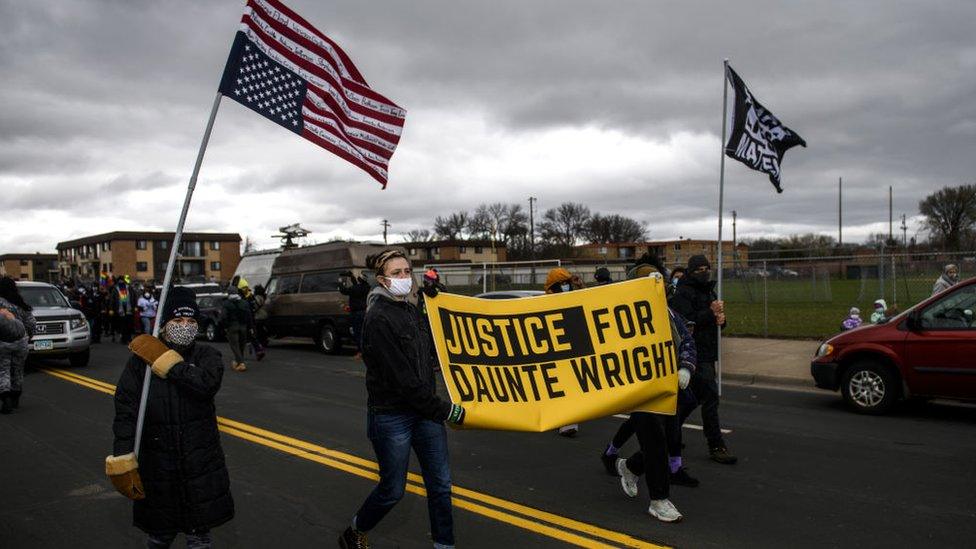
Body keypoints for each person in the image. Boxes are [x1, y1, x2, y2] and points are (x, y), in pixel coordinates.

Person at [340, 249, 465, 549]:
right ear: (382, 280)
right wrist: (445, 410)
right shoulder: (378, 319)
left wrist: (437, 296)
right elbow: (404, 381)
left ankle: (444, 545)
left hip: (426, 413)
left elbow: (437, 340)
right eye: (396, 274)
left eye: (407, 271)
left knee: (440, 486)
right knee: (393, 490)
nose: (404, 278)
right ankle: (355, 531)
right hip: (392, 415)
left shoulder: (411, 309)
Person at [105, 286, 234, 548]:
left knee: (199, 535)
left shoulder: (207, 355)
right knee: (160, 534)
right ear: (163, 324)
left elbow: (206, 385)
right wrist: (123, 456)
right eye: (177, 320)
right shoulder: (141, 361)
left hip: (199, 463)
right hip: (158, 464)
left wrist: (167, 362)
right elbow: (126, 409)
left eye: (190, 321)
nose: (184, 326)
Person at [600, 254, 700, 492]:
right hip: (641, 388)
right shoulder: (622, 317)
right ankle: (658, 499)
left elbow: (687, 342)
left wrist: (685, 366)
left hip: (667, 388)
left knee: (666, 440)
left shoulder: (669, 315)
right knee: (656, 442)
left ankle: (631, 468)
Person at [671, 255, 737, 465]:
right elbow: (686, 324)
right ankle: (716, 444)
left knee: (694, 398)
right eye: (699, 269)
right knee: (710, 397)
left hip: (708, 351)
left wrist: (721, 320)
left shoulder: (709, 290)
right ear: (691, 271)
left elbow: (714, 321)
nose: (704, 272)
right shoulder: (683, 293)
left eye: (706, 268)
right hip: (692, 353)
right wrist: (710, 313)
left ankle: (670, 430)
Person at [544, 267, 584, 437]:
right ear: (553, 287)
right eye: (562, 284)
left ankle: (567, 422)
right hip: (554, 352)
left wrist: (580, 286)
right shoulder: (546, 303)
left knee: (569, 387)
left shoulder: (572, 298)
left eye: (567, 283)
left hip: (569, 350)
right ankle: (563, 421)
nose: (566, 286)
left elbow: (593, 300)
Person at [0, 277, 35, 413]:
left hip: (2, 342)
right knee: (18, 370)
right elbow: (32, 323)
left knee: (3, 370)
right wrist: (28, 337)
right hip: (20, 342)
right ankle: (15, 398)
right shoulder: (21, 303)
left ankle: (6, 398)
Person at [339, 271, 371, 358]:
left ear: (360, 280)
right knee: (364, 332)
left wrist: (340, 281)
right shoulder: (367, 287)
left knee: (357, 332)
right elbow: (356, 286)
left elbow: (344, 291)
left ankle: (361, 351)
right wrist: (352, 277)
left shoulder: (355, 288)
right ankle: (365, 350)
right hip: (364, 312)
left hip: (356, 313)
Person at [222, 287, 253, 372]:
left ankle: (241, 363)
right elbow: (249, 316)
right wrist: (250, 327)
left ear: (229, 293)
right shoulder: (244, 303)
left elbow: (224, 317)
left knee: (235, 346)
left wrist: (225, 327)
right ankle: (237, 362)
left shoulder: (226, 303)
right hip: (243, 327)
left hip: (232, 327)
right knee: (241, 345)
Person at [111, 276, 135, 344]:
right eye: (120, 281)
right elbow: (112, 299)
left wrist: (135, 306)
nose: (121, 282)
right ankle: (124, 339)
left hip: (129, 309)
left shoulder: (129, 288)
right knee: (123, 325)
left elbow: (134, 296)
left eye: (122, 281)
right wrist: (111, 309)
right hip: (120, 309)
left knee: (129, 324)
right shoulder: (115, 289)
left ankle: (129, 337)